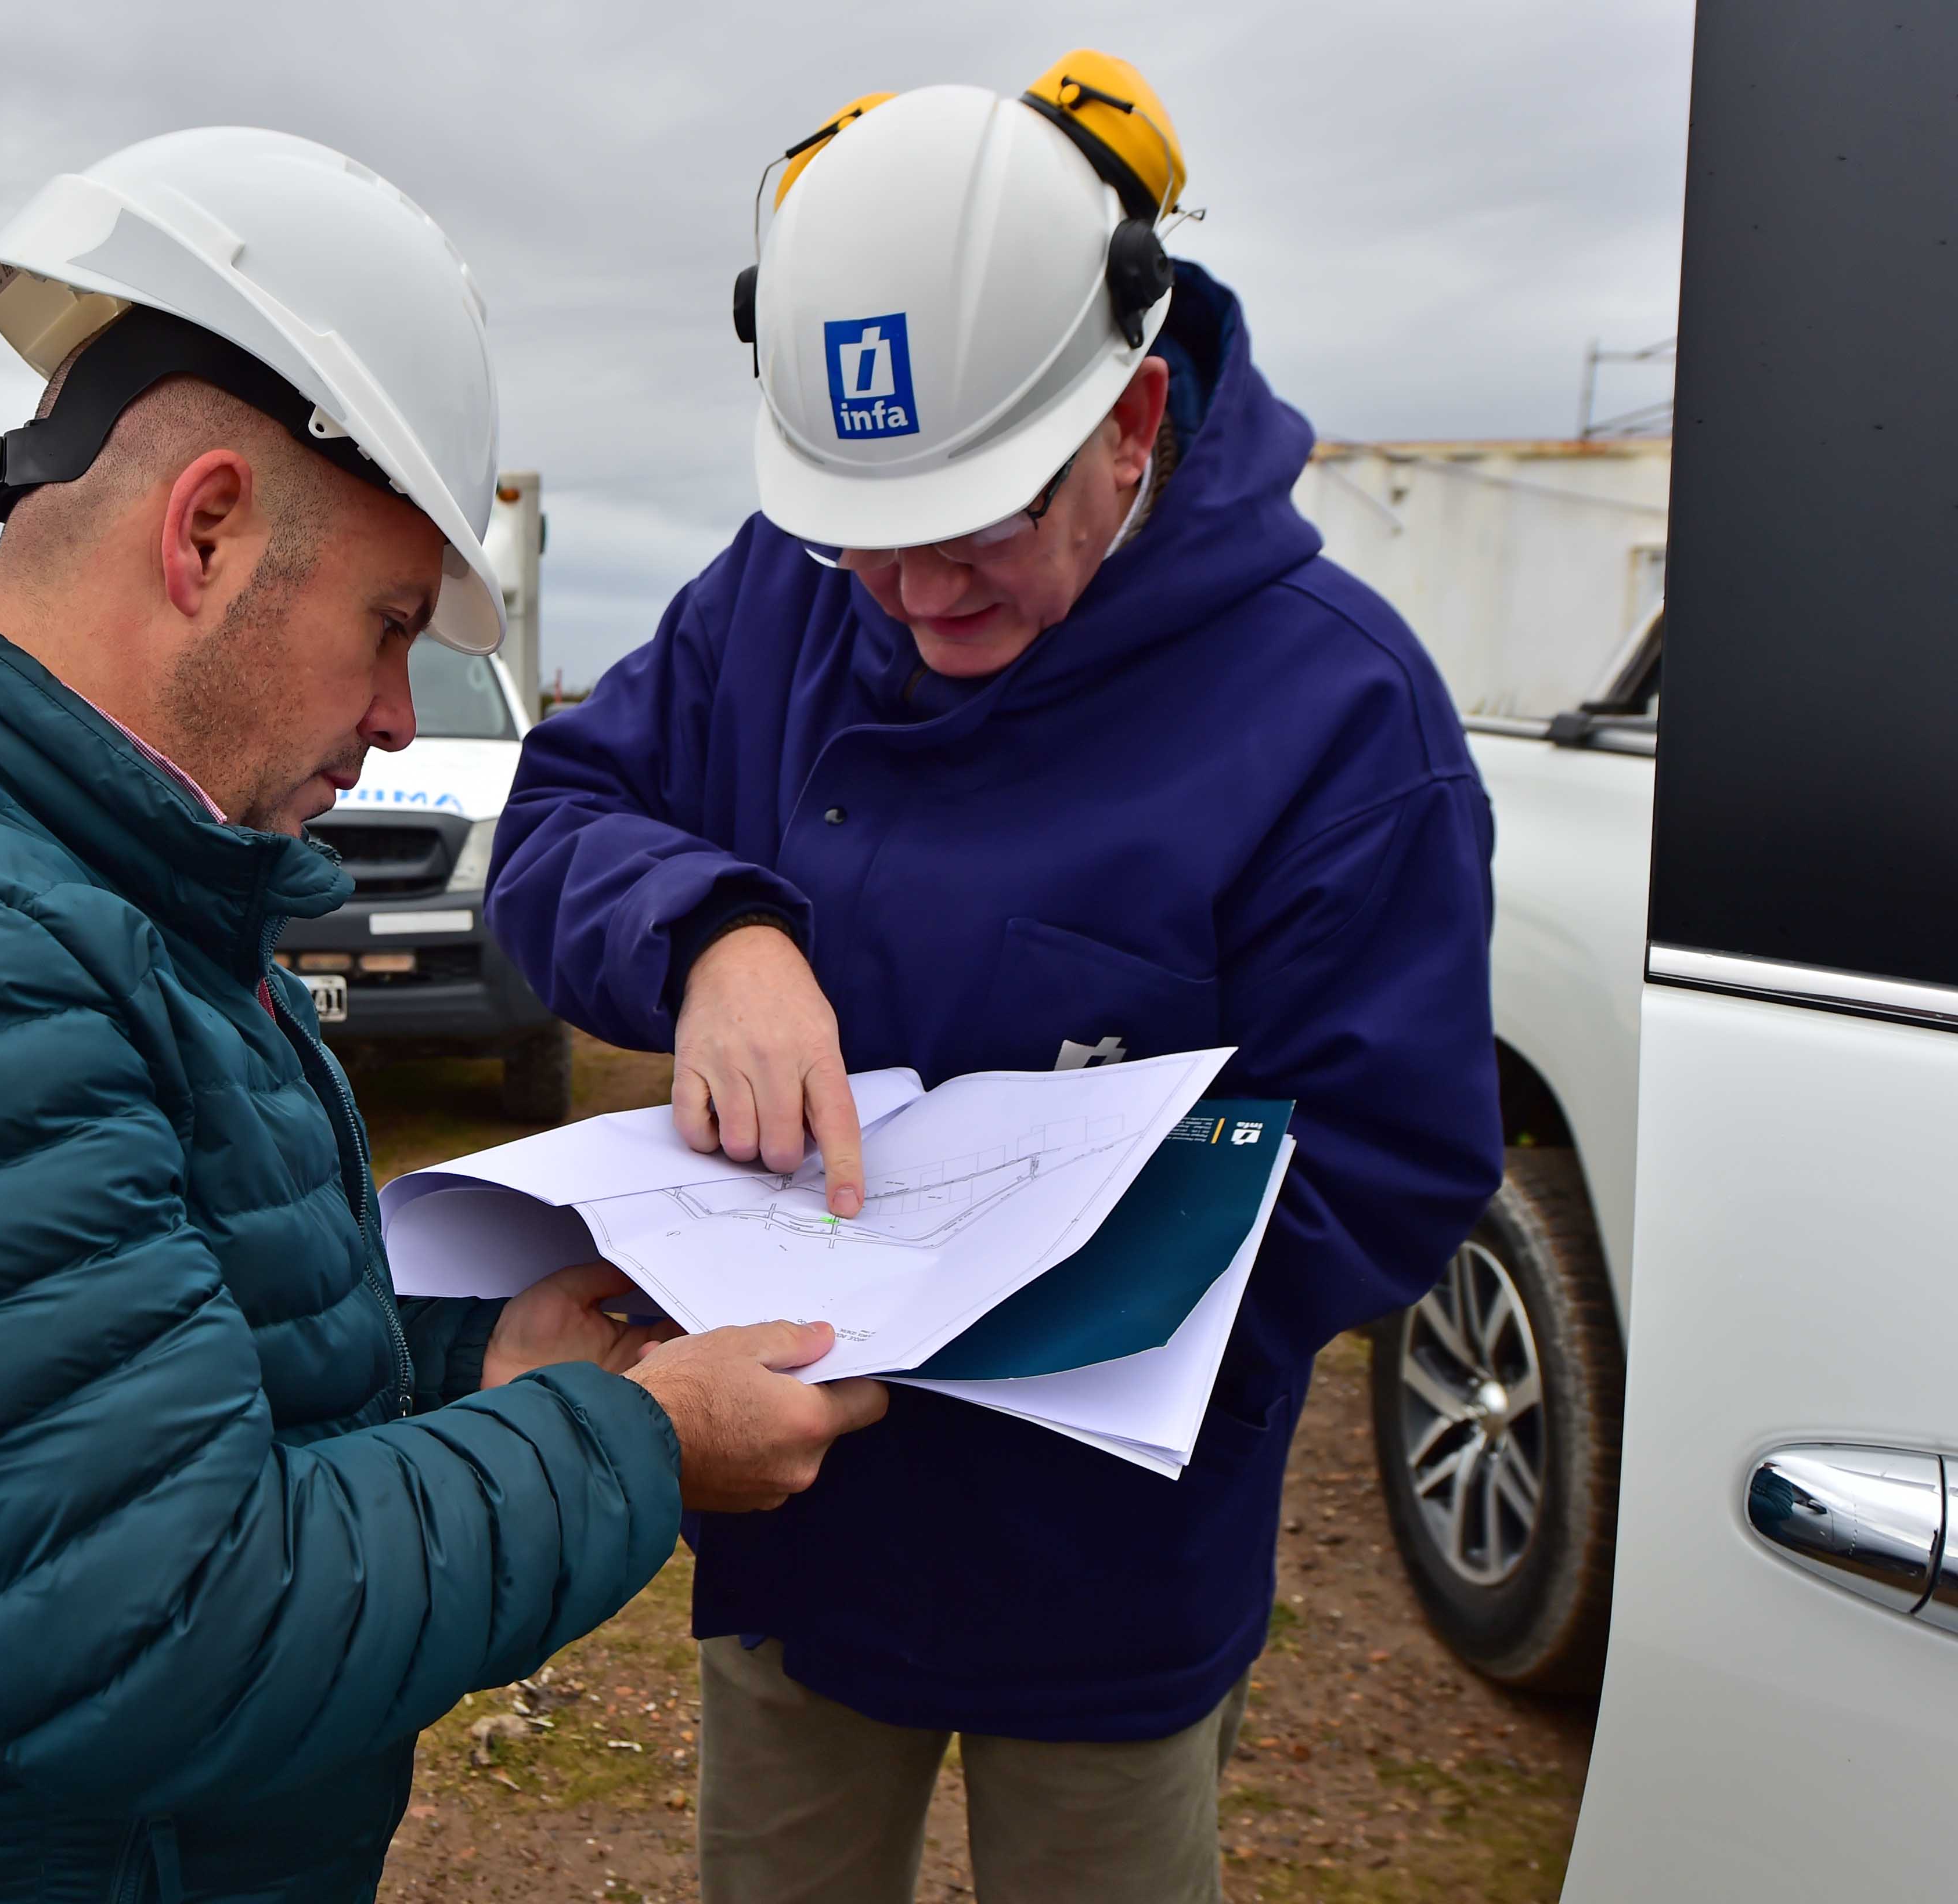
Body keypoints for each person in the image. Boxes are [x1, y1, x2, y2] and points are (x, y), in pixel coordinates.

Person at [0, 128, 884, 1904]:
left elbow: (166, 1379)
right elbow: (162, 1627)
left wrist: (471, 1364)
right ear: (205, 534)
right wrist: (641, 1443)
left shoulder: (98, 893)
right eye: (389, 624)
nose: (406, 716)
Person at [486, 55, 1503, 1904]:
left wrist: (1035, 1292)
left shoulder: (1338, 714)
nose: (911, 593)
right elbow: (560, 817)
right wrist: (715, 930)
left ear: (1135, 417)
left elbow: (1398, 1159)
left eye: (978, 533)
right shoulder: (782, 600)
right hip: (794, 1536)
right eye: (862, 535)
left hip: (1108, 1578)